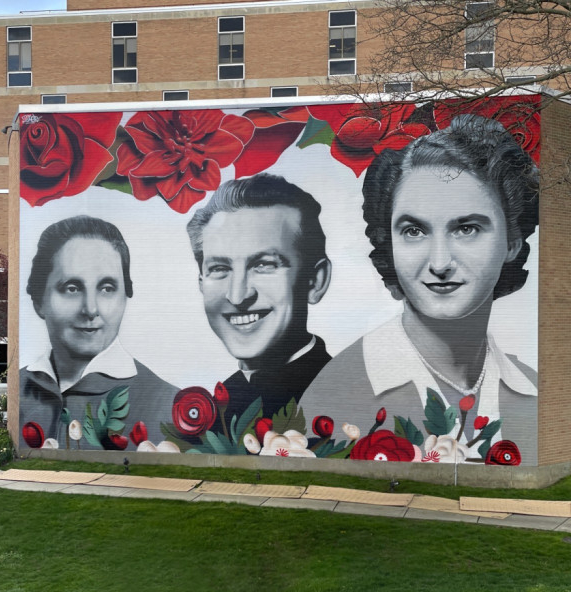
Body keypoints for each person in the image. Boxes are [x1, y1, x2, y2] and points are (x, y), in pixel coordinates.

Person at [300, 115, 539, 465]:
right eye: (414, 231)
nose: (439, 263)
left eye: (467, 229)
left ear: (512, 241)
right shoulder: (334, 395)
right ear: (389, 243)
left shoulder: (532, 388)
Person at [186, 173, 333, 430]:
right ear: (201, 282)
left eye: (263, 265)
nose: (237, 296)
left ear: (314, 281)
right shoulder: (212, 413)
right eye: (219, 268)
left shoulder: (349, 399)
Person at [20, 215, 179, 450]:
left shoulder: (169, 407)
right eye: (72, 288)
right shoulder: (16, 389)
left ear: (125, 296)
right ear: (39, 301)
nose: (91, 309)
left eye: (107, 288)